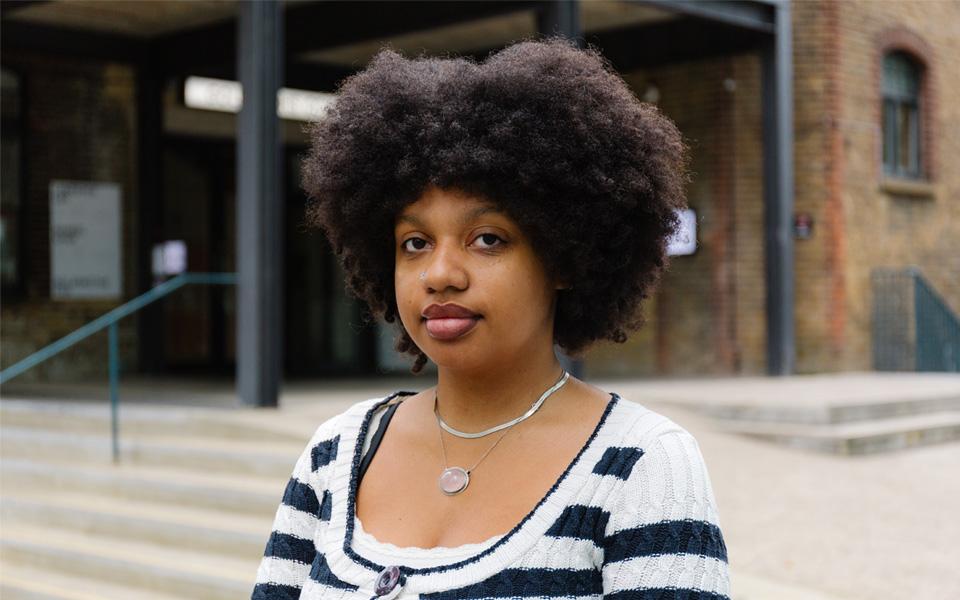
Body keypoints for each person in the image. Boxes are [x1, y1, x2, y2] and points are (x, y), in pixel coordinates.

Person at [252, 37, 730, 600]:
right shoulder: (335, 454)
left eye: (487, 238)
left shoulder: (643, 466)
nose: (441, 273)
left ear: (564, 258)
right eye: (414, 242)